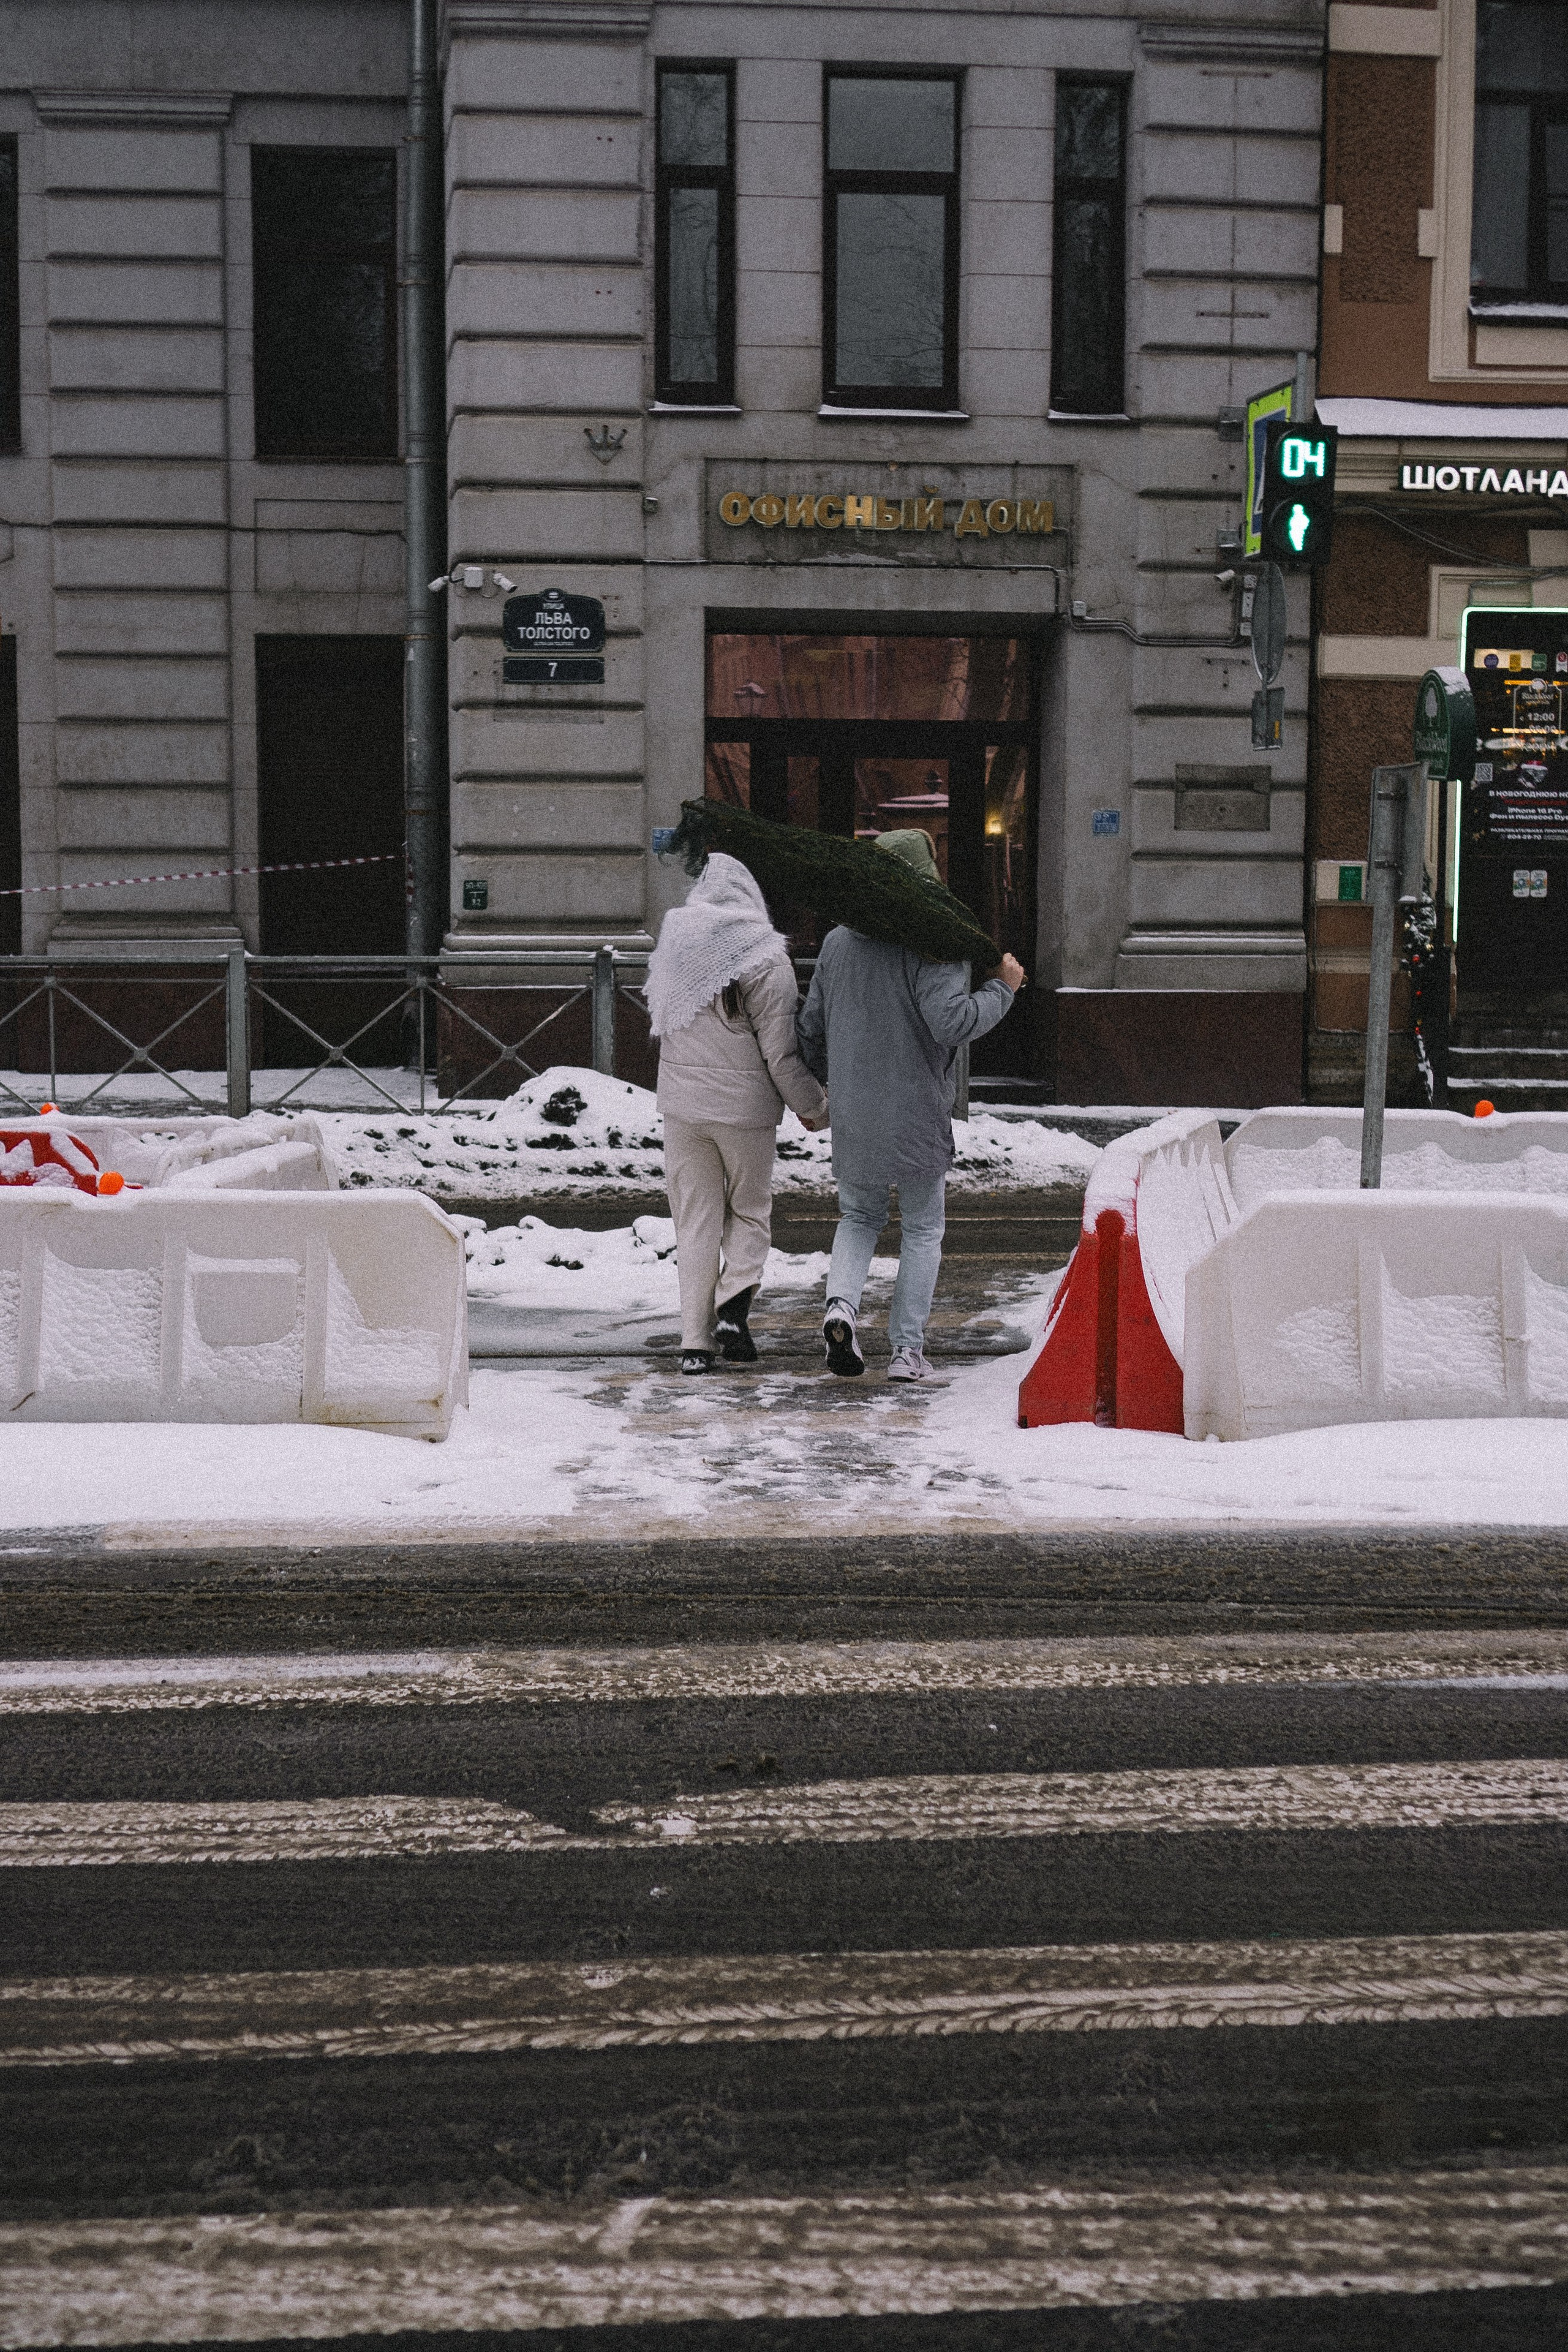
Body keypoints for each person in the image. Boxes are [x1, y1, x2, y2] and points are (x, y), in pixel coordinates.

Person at [796, 829, 1025, 1381]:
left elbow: (811, 1027)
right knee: (922, 1229)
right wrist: (1004, 988)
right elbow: (953, 1022)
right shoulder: (936, 943)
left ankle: (841, 1310)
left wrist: (819, 1089)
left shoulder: (838, 942)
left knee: (858, 1216)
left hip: (853, 1109)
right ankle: (906, 1351)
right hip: (916, 1107)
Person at [646, 851, 828, 1374]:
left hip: (682, 1107)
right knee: (749, 1208)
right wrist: (813, 1107)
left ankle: (695, 1345)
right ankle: (735, 1300)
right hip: (744, 1112)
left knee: (695, 1222)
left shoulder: (674, 944)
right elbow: (781, 1052)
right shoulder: (766, 955)